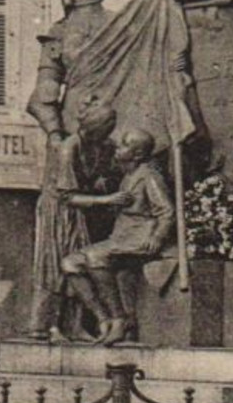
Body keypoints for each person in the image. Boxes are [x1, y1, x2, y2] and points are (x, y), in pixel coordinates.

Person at [60, 130, 176, 346]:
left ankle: (120, 319)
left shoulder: (149, 176)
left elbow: (167, 211)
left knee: (95, 258)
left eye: (124, 145)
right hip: (121, 236)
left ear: (138, 154)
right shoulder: (128, 174)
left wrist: (158, 237)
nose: (118, 147)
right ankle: (103, 319)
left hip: (139, 237)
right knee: (69, 264)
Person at [27, 100, 119, 341]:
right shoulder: (69, 147)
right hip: (58, 212)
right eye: (107, 127)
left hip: (82, 211)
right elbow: (67, 195)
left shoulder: (105, 146)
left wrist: (103, 182)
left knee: (79, 265)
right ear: (92, 128)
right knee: (52, 267)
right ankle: (43, 327)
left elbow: (105, 172)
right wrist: (107, 200)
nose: (110, 132)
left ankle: (74, 326)